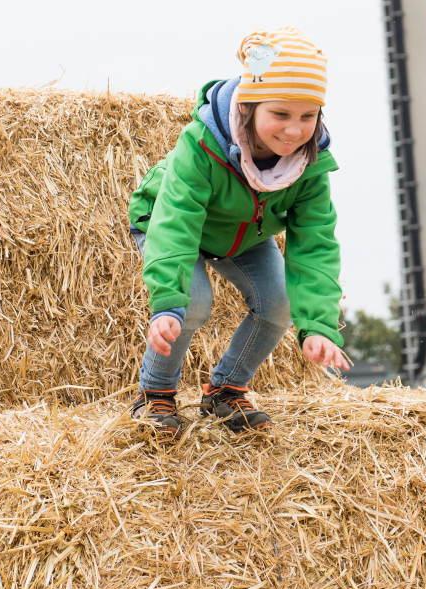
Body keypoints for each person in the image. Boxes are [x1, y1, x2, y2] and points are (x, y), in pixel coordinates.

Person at [127, 26, 349, 438]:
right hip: (170, 222)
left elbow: (315, 243)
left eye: (307, 115)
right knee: (192, 304)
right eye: (280, 114)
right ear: (249, 106)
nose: (293, 130)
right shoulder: (201, 144)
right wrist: (167, 303)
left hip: (243, 234)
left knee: (278, 304)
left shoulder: (311, 164)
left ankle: (226, 389)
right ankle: (154, 393)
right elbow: (176, 220)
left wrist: (317, 324)